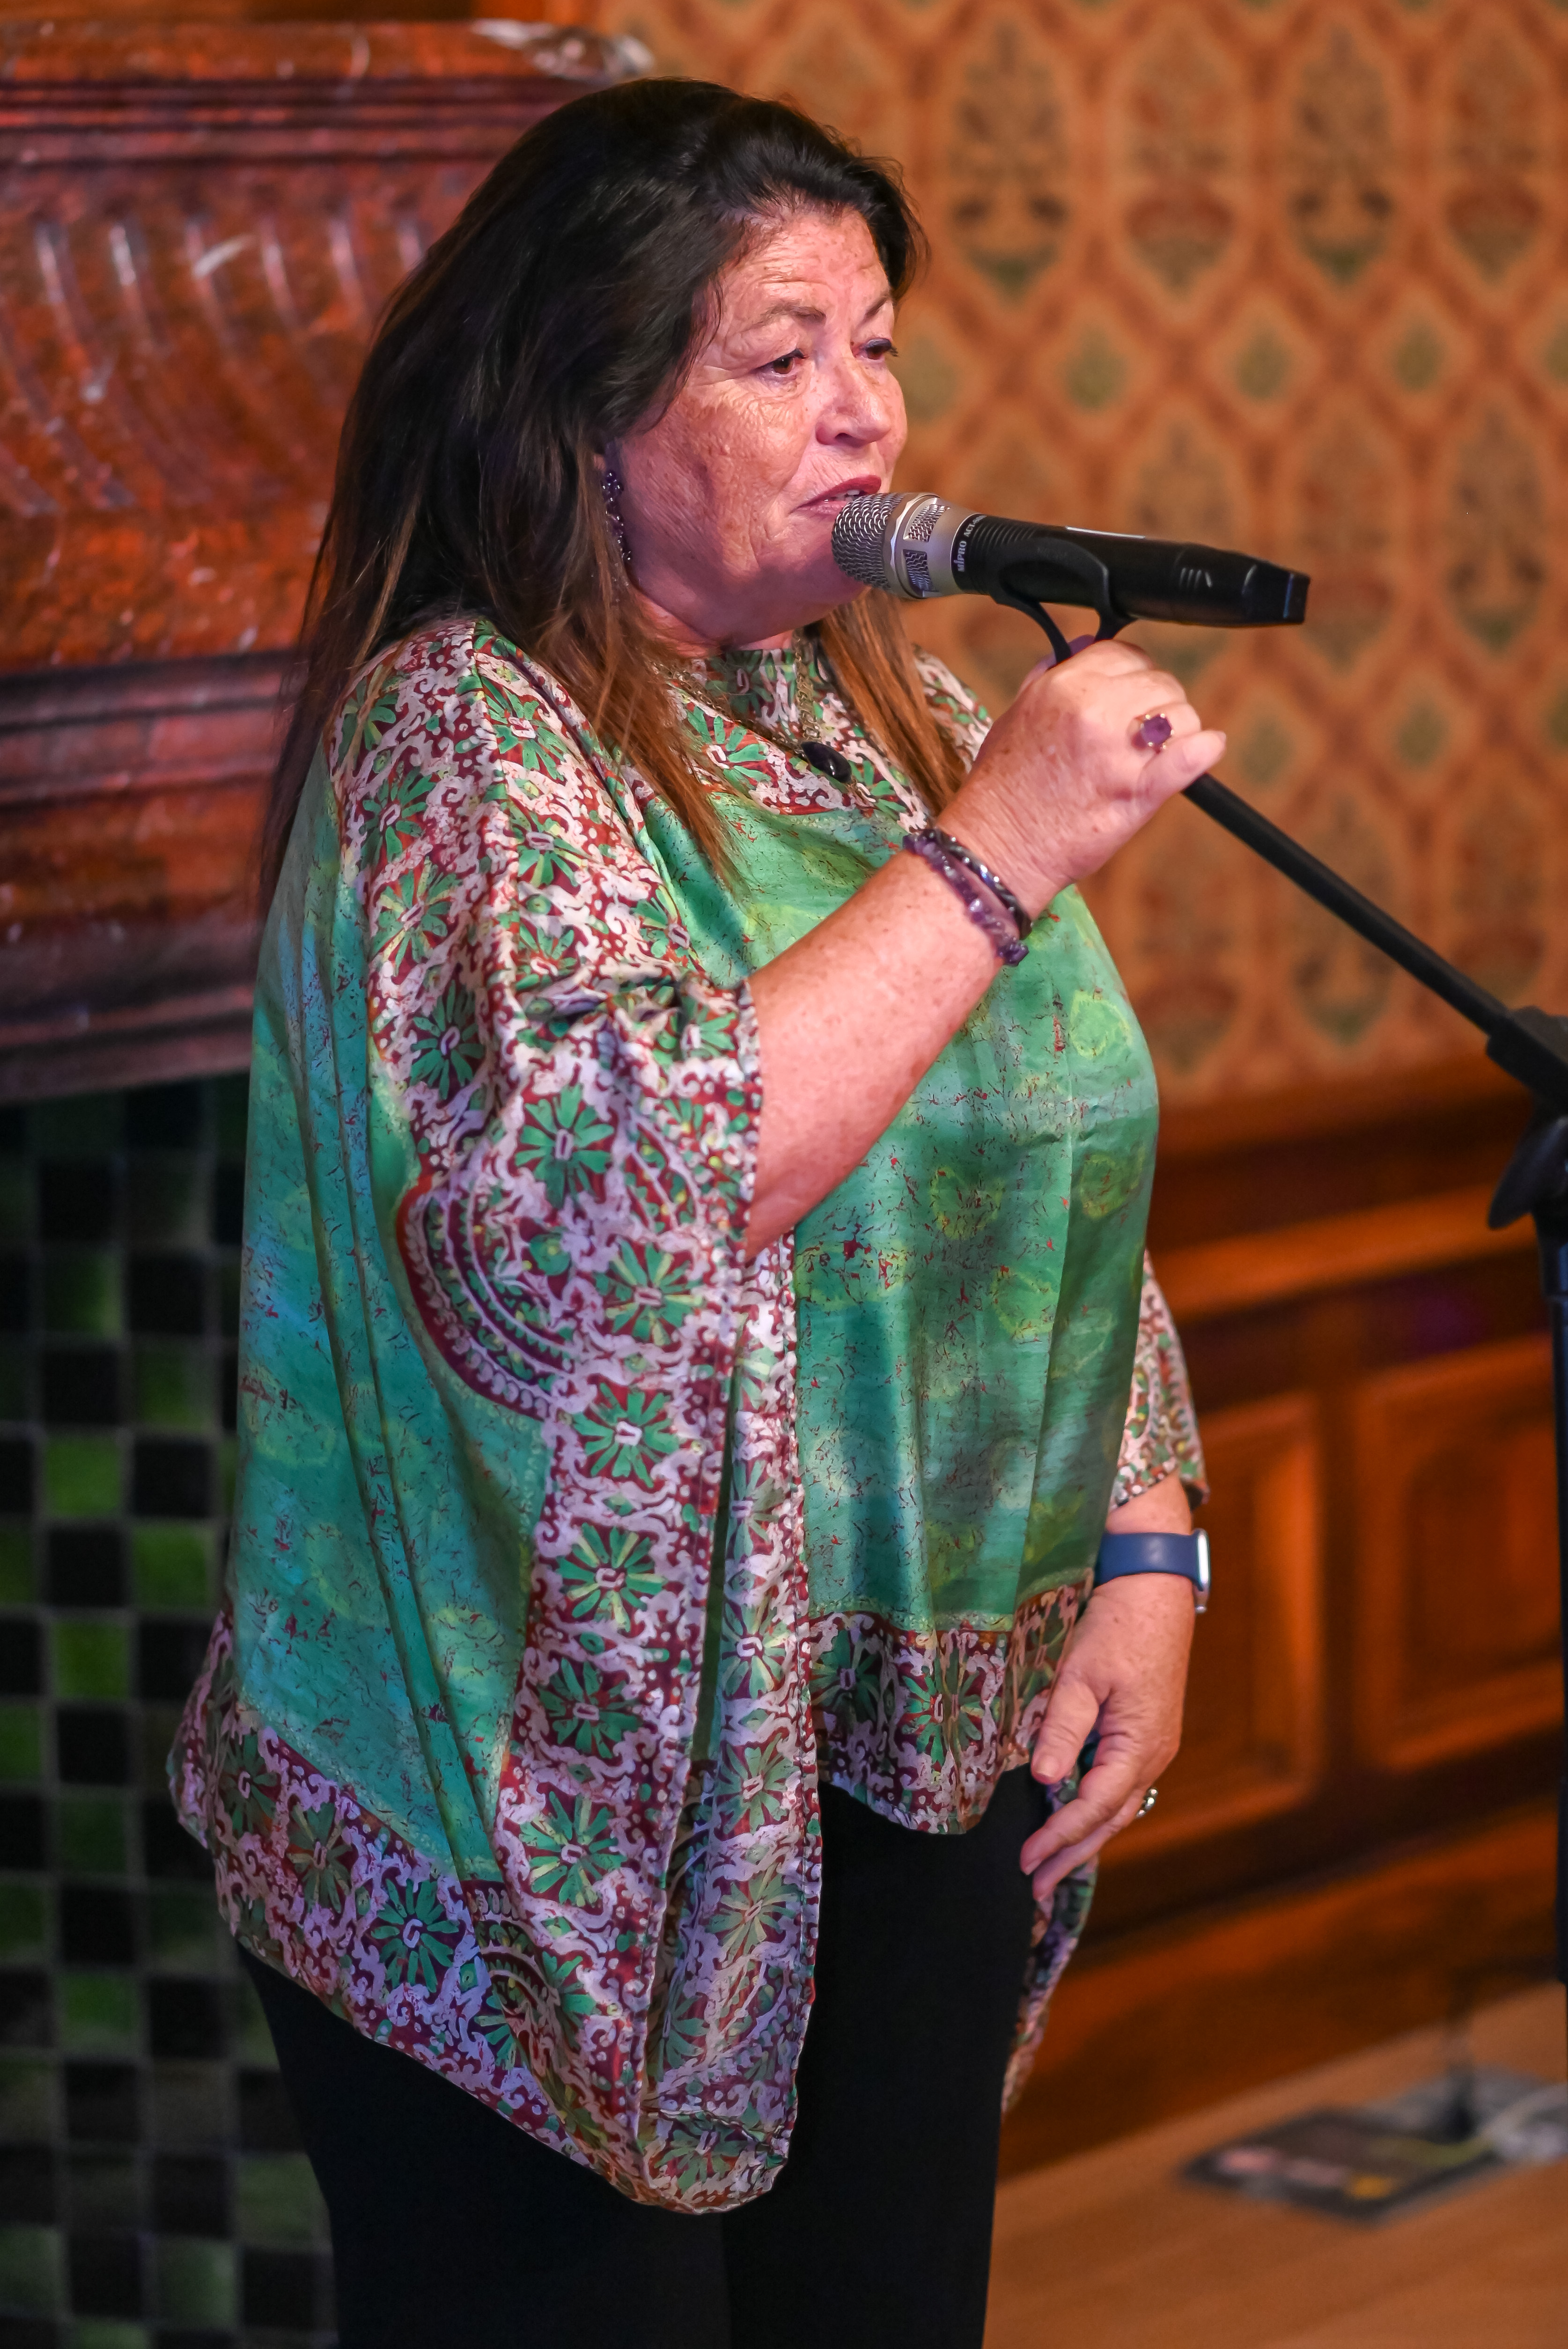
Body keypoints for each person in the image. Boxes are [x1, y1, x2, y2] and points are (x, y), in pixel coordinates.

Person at [171, 77, 1220, 2349]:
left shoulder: (887, 710)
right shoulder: (466, 739)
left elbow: (1039, 1145)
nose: (865, 413)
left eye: (878, 344)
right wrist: (997, 853)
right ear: (587, 414)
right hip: (538, 1812)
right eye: (780, 355)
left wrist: (1148, 1550)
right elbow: (616, 1211)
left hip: (900, 1737)